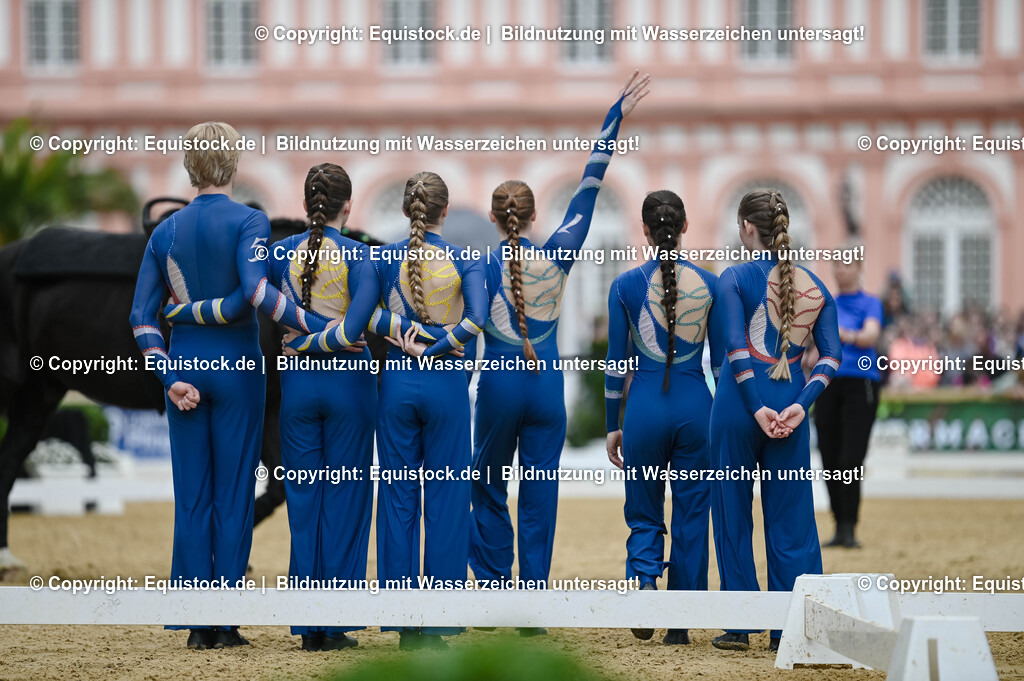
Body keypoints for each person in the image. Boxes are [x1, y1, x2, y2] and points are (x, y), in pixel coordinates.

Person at [130, 121, 330, 651]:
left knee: (192, 494)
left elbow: (141, 318)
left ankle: (199, 624)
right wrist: (321, 328)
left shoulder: (164, 232)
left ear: (189, 168)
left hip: (186, 365)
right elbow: (255, 294)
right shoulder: (251, 220)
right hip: (239, 368)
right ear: (234, 166)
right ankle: (228, 619)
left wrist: (170, 376)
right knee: (235, 493)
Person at [468, 72, 650, 618]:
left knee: (487, 485)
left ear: (496, 220)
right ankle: (532, 602)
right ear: (533, 218)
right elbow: (590, 186)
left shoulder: (479, 264)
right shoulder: (559, 254)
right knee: (541, 495)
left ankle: (498, 585)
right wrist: (612, 118)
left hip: (498, 386)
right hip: (547, 390)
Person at [183, 164, 380, 650]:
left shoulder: (276, 255)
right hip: (350, 389)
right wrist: (328, 338)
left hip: (297, 391)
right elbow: (354, 334)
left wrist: (301, 341)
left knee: (305, 503)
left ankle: (307, 622)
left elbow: (254, 298)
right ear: (348, 207)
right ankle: (332, 627)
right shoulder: (361, 257)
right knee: (346, 501)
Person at [709, 188, 841, 653]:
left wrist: (752, 404)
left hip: (738, 408)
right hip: (790, 410)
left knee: (732, 517)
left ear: (747, 228)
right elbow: (831, 357)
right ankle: (796, 626)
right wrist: (802, 403)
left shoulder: (733, 278)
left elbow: (733, 345)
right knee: (792, 521)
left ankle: (739, 625)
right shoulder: (817, 288)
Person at [372, 171, 486, 651]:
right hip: (446, 390)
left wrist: (405, 335)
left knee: (398, 500)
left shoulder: (380, 259)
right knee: (445, 503)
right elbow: (476, 319)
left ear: (405, 211)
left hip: (396, 385)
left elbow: (365, 317)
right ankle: (438, 622)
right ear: (446, 211)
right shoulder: (466, 259)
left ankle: (403, 621)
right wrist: (440, 346)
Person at [605, 190, 720, 646]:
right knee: (693, 514)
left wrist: (613, 423)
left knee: (644, 510)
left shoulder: (625, 286)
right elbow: (721, 365)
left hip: (645, 411)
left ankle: (646, 581)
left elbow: (616, 364)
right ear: (686, 227)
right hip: (697, 409)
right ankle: (680, 620)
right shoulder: (711, 284)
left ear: (645, 231)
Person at [810, 246, 881, 549]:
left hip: (860, 383)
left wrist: (843, 334)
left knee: (850, 457)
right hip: (828, 381)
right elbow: (813, 346)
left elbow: (870, 335)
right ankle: (839, 524)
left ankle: (850, 524)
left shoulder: (870, 302)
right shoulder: (827, 303)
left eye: (847, 265)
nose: (841, 270)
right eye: (836, 264)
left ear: (859, 268)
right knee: (828, 455)